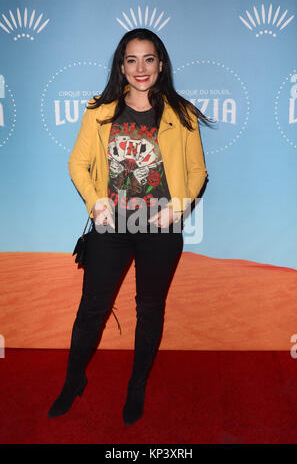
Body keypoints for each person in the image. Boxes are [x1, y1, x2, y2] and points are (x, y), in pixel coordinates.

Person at [47, 28, 208, 425]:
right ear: (121, 66)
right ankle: (72, 381)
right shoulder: (99, 110)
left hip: (160, 229)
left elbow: (197, 171)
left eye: (149, 59)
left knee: (149, 310)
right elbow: (77, 164)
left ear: (161, 64)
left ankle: (136, 386)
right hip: (111, 226)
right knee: (91, 311)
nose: (141, 68)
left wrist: (178, 209)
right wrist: (95, 202)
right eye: (132, 60)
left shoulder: (182, 114)